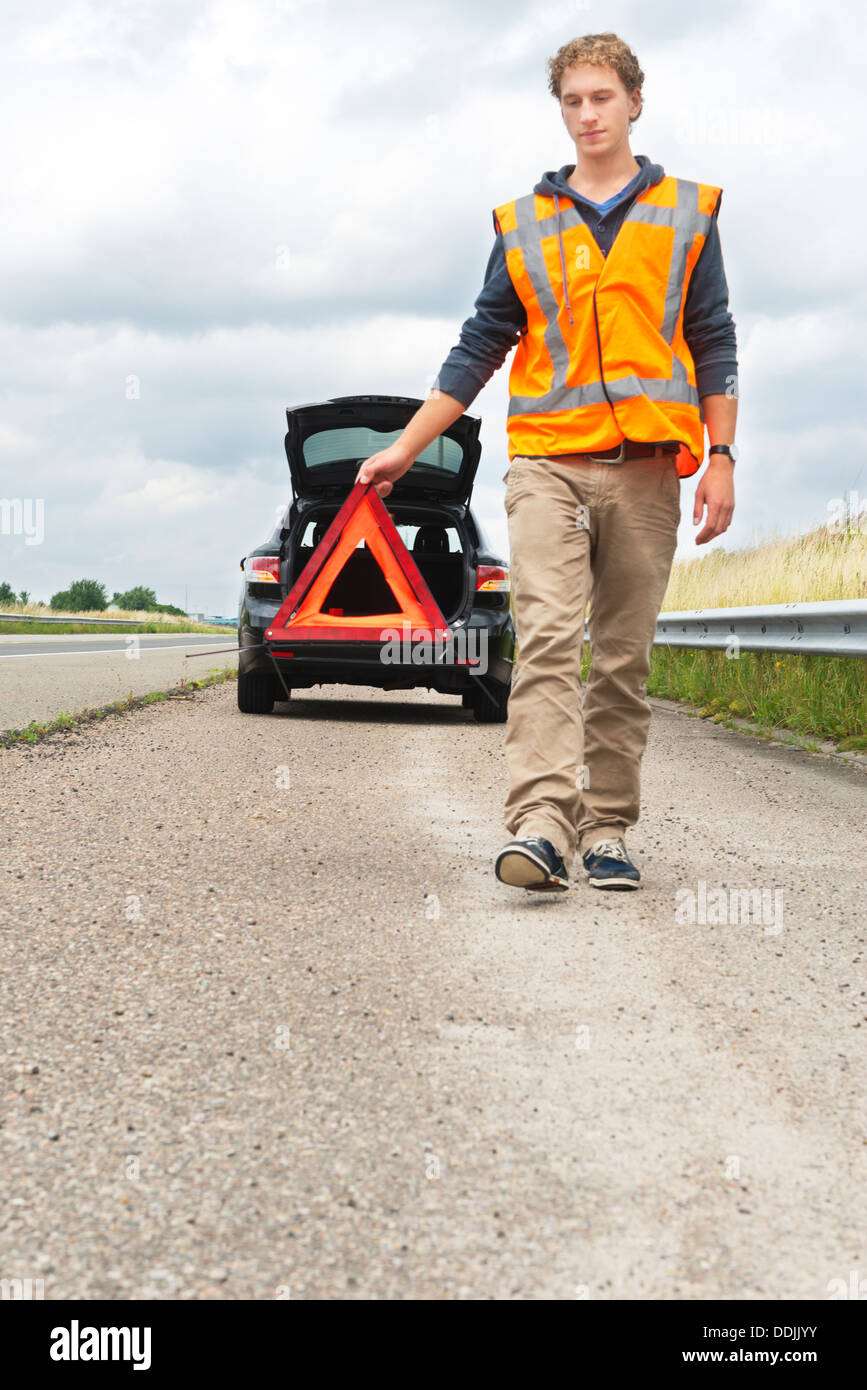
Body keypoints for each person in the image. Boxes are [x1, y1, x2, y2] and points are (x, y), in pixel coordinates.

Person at [355, 31, 738, 895]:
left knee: (621, 659)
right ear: (559, 109)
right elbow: (479, 344)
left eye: (601, 97)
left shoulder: (688, 211)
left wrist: (720, 455)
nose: (587, 114)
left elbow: (712, 338)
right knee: (549, 640)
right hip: (548, 466)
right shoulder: (523, 224)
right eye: (571, 100)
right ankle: (539, 827)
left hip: (646, 470)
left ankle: (606, 830)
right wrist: (404, 448)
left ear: (633, 101)